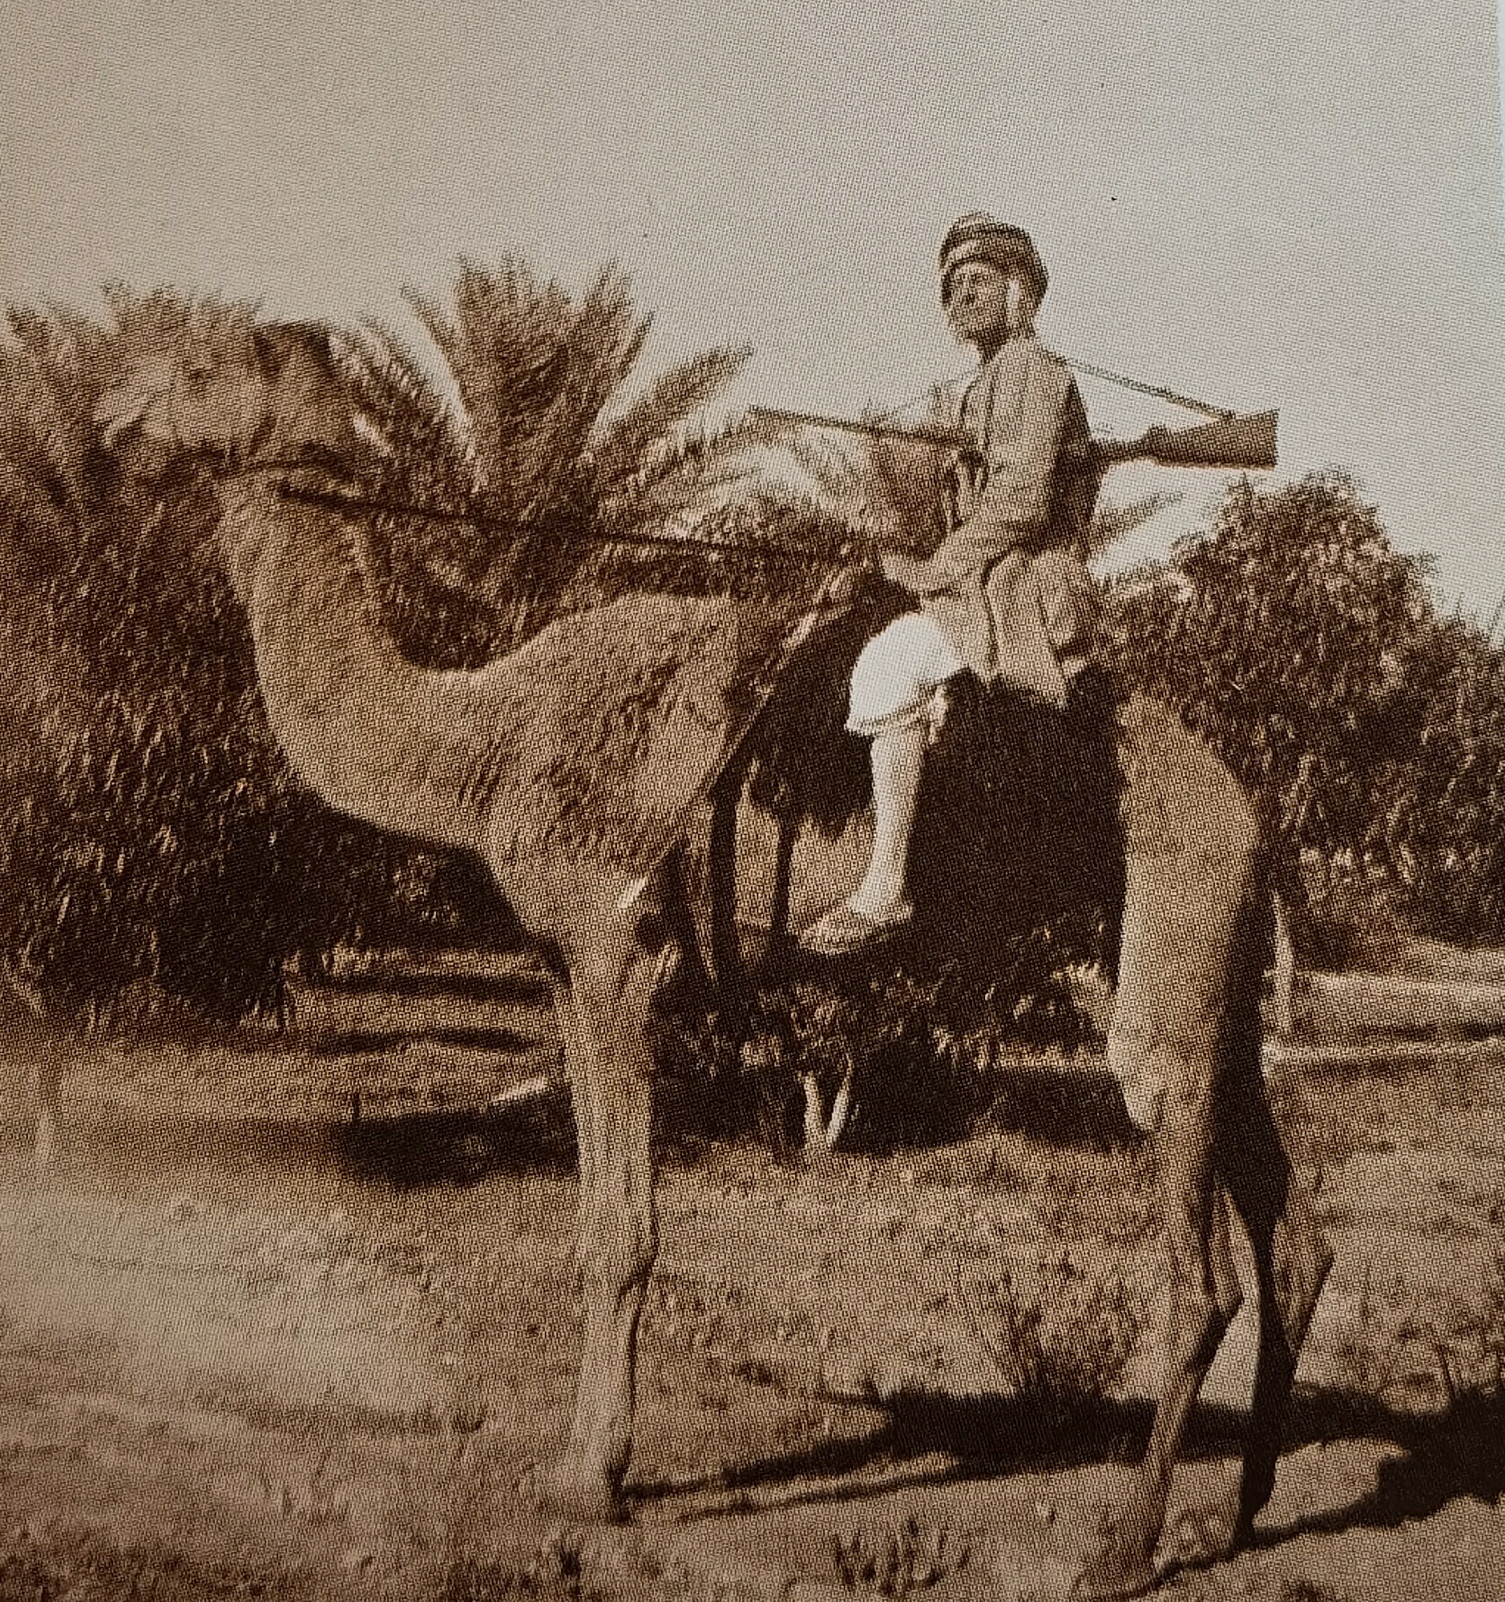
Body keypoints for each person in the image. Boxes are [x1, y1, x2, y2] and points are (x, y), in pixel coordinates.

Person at [801, 214, 1102, 957]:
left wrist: (930, 570)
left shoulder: (1030, 370)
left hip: (1023, 590)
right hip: (990, 576)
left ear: (1019, 291)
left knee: (887, 665)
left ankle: (886, 886)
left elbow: (1024, 502)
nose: (962, 296)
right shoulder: (986, 382)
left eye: (978, 281)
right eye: (952, 287)